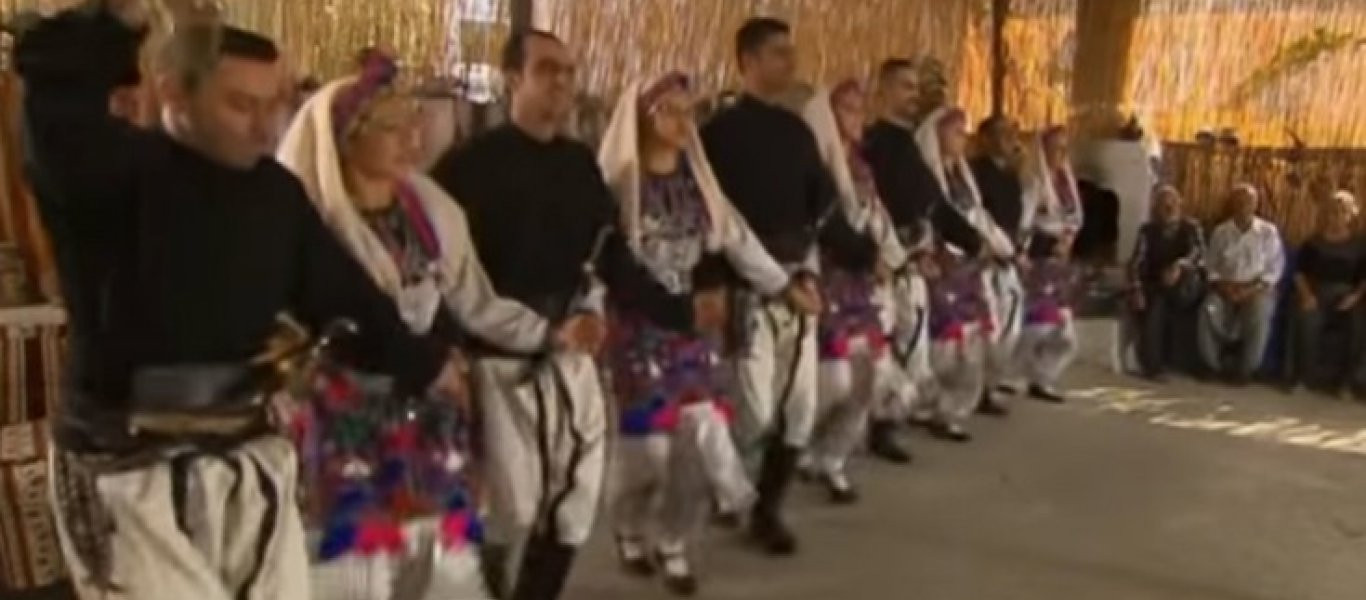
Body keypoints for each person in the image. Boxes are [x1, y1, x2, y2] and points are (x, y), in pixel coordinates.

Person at [16, 3, 465, 599]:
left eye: (275, 104)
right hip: (127, 471)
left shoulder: (275, 195)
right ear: (175, 94)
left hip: (246, 459)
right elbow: (55, 101)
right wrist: (117, 22)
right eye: (240, 105)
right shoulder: (108, 175)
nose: (266, 128)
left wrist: (424, 363)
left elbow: (341, 294)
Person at [276, 50, 595, 600]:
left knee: (443, 558)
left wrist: (548, 333)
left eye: (413, 121)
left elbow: (476, 301)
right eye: (390, 126)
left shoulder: (430, 214)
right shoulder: (314, 228)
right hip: (344, 412)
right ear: (346, 139)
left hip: (430, 406)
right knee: (355, 566)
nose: (412, 137)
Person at [429, 30, 615, 600]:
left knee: (576, 493)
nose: (561, 81)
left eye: (568, 70)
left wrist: (591, 310)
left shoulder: (581, 163)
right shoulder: (467, 166)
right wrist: (449, 350)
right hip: (497, 357)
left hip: (570, 349)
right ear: (513, 79)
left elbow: (600, 251)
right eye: (546, 69)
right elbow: (441, 270)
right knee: (511, 506)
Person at [597, 72, 793, 596]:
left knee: (697, 440)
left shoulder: (698, 183)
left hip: (693, 327)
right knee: (648, 451)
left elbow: (730, 240)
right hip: (638, 331)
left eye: (690, 113)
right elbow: (604, 265)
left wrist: (776, 285)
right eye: (671, 112)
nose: (684, 123)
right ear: (644, 118)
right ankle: (629, 525)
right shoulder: (620, 185)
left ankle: (676, 542)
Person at [699, 17, 828, 556]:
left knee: (800, 407)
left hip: (798, 280)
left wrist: (811, 272)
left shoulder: (798, 134)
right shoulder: (717, 135)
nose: (790, 62)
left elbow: (819, 209)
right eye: (778, 53)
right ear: (747, 61)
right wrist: (716, 284)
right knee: (752, 410)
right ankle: (722, 487)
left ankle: (767, 510)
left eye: (790, 52)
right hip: (745, 288)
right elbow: (712, 223)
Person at [797, 79, 912, 504]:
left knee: (867, 378)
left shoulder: (862, 167)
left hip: (862, 284)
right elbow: (821, 228)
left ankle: (833, 460)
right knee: (833, 380)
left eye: (861, 108)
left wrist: (893, 257)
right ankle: (799, 446)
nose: (858, 116)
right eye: (848, 108)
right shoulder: (816, 168)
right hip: (829, 280)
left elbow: (876, 215)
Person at [918, 107, 1017, 442]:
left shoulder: (962, 176)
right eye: (955, 131)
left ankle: (955, 408)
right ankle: (934, 407)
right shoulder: (931, 177)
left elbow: (978, 216)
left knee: (975, 338)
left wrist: (1001, 247)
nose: (962, 138)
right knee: (946, 342)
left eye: (964, 131)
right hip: (945, 265)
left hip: (971, 265)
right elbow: (931, 221)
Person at [862, 57, 938, 460]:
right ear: (885, 91)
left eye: (916, 87)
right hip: (882, 259)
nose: (914, 95)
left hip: (912, 259)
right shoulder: (873, 144)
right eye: (906, 86)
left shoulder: (910, 143)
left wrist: (927, 246)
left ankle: (891, 420)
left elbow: (928, 201)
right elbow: (868, 206)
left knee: (912, 342)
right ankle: (878, 425)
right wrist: (885, 252)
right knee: (884, 343)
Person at [1015, 126, 1084, 402]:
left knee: (1064, 332)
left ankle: (1043, 377)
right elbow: (1025, 223)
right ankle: (1016, 375)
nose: (1061, 154)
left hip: (1060, 263)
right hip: (1040, 260)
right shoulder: (1034, 183)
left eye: (1065, 148)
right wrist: (1029, 252)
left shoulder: (1066, 182)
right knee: (1039, 325)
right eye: (1055, 148)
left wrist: (1068, 239)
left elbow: (1075, 219)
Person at [968, 114, 1026, 413]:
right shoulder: (976, 172)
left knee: (1009, 326)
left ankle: (991, 383)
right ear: (986, 139)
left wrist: (1017, 248)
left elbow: (1015, 218)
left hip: (1009, 256)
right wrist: (990, 247)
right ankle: (977, 388)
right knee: (987, 328)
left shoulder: (1012, 175)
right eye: (1002, 133)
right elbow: (977, 216)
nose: (1009, 139)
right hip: (986, 255)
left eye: (1012, 132)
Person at [1198, 184, 1284, 384]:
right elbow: (1210, 266)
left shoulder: (1268, 232)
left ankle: (1246, 370)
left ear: (1256, 204)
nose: (1244, 205)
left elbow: (1274, 269)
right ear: (1232, 204)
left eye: (1248, 201)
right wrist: (1224, 287)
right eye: (1239, 201)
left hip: (1257, 289)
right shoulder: (1221, 232)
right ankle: (1212, 366)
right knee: (1208, 309)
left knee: (1260, 313)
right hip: (1225, 287)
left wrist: (1251, 290)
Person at [1287, 190, 1366, 395]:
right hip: (1317, 293)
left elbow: (1363, 278)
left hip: (1348, 296)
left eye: (1342, 212)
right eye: (1333, 211)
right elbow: (1299, 273)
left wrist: (1355, 297)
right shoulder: (1313, 243)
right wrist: (1307, 295)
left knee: (1356, 323)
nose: (1336, 216)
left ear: (1351, 215)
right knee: (1307, 320)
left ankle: (1346, 383)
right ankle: (1304, 379)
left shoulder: (1360, 245)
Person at [1128, 185, 1206, 381]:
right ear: (1156, 208)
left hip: (1186, 285)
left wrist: (1179, 266)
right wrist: (1136, 288)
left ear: (1180, 205)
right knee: (1155, 304)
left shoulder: (1191, 227)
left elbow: (1198, 254)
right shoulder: (1147, 231)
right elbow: (1136, 261)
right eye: (1163, 205)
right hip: (1158, 285)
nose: (1169, 208)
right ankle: (1153, 367)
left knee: (1184, 290)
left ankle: (1192, 365)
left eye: (1172, 204)